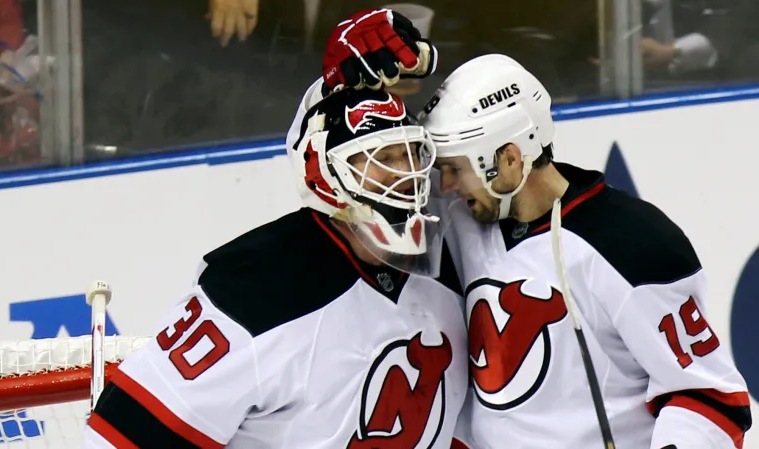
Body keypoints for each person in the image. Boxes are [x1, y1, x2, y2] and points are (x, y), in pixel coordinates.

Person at [291, 13, 752, 448]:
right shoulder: (451, 222)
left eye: (453, 168)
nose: (442, 185)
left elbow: (709, 396)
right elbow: (335, 183)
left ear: (510, 159)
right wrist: (333, 90)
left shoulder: (630, 242)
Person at [82, 86, 470, 448]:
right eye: (382, 158)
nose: (407, 175)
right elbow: (119, 437)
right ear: (329, 175)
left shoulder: (455, 262)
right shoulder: (253, 293)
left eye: (410, 154)